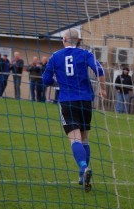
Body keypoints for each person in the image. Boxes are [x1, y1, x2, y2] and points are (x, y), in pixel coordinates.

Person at [43, 28, 106, 192]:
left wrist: (57, 79)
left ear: (64, 39)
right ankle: (81, 175)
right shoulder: (85, 54)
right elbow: (99, 70)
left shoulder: (55, 56)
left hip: (67, 101)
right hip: (85, 101)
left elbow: (45, 80)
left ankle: (84, 167)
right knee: (85, 138)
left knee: (75, 139)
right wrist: (103, 89)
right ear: (78, 40)